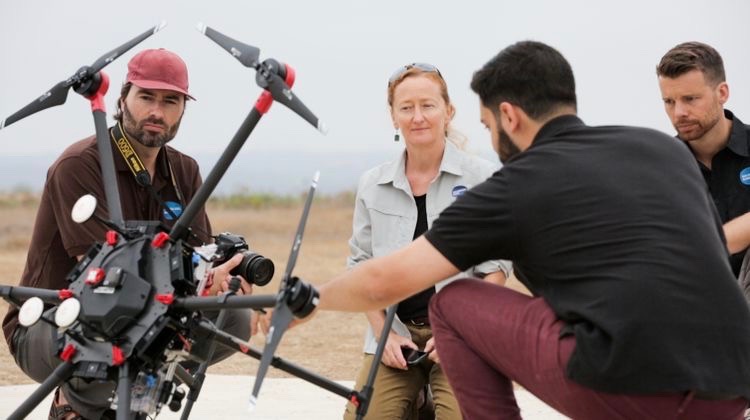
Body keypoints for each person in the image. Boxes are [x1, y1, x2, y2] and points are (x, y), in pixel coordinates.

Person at [308, 41, 750, 419]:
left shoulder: (514, 184)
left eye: (487, 126)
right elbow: (709, 247)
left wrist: (304, 301)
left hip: (632, 391)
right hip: (732, 388)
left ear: (508, 116)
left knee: (453, 302)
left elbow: (385, 278)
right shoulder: (663, 150)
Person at [2, 48, 256, 419]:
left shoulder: (185, 171)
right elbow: (104, 282)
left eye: (171, 101)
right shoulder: (79, 165)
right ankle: (74, 402)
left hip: (142, 317)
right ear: (122, 99)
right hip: (55, 321)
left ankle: (134, 392)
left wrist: (220, 280)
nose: (157, 111)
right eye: (146, 97)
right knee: (114, 311)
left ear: (183, 109)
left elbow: (199, 257)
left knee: (234, 319)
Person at [342, 63, 511, 420]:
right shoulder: (372, 185)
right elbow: (360, 266)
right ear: (393, 117)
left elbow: (496, 268)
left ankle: (429, 403)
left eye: (428, 105)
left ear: (448, 111)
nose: (417, 117)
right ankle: (416, 401)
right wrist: (382, 334)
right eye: (406, 107)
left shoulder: (484, 177)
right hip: (394, 337)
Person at [656, 42, 750, 296]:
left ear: (722, 93)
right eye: (669, 101)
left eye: (690, 99)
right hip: (695, 304)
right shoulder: (658, 168)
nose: (679, 113)